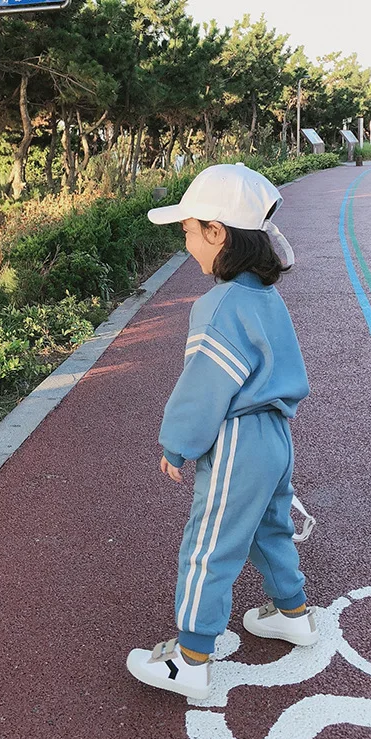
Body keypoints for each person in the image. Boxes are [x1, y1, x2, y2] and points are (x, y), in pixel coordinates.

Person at [126, 164, 317, 700]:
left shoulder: (218, 306)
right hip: (276, 435)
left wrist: (178, 442)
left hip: (237, 439)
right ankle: (292, 611)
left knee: (209, 546)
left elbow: (205, 385)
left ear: (218, 233)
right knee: (268, 528)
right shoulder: (264, 297)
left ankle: (191, 658)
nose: (186, 243)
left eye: (189, 230)